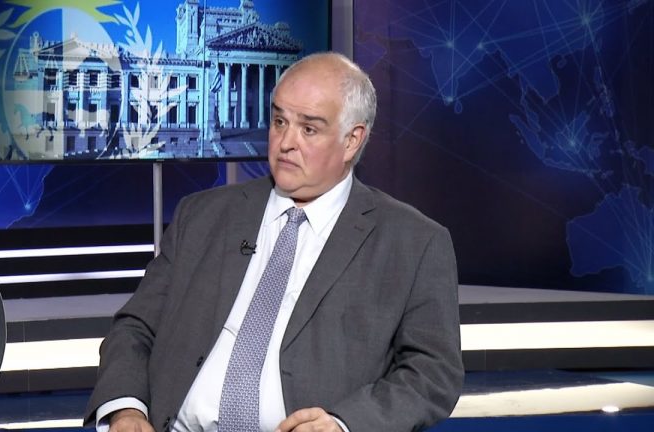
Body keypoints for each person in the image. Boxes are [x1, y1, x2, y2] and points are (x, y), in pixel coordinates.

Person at [84, 52, 463, 432]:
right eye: (280, 121)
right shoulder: (200, 216)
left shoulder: (413, 242)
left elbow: (432, 372)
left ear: (352, 140)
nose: (285, 142)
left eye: (308, 129)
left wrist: (343, 424)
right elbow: (135, 327)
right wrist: (126, 411)